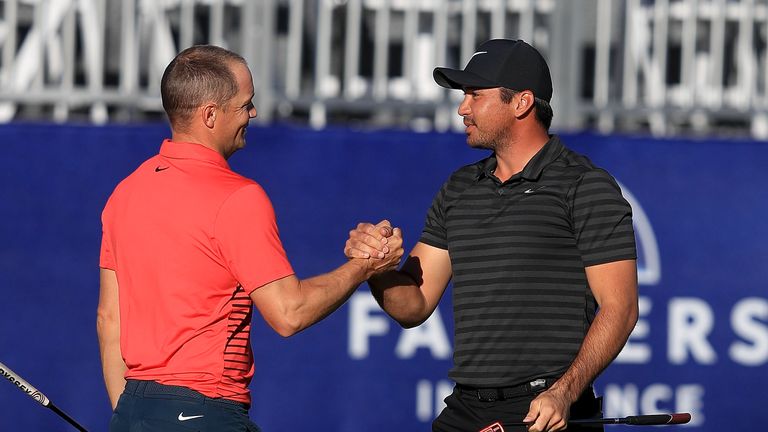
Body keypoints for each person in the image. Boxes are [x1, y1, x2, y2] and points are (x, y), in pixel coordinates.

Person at [96, 45, 403, 432]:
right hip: (204, 414)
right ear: (210, 115)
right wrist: (364, 267)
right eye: (245, 104)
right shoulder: (238, 197)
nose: (253, 114)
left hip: (132, 411)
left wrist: (129, 418)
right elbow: (289, 313)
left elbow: (110, 320)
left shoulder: (125, 193)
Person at [346, 39, 639, 432]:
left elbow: (620, 308)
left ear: (521, 103)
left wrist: (564, 393)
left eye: (474, 95)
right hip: (466, 409)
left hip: (543, 409)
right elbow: (413, 305)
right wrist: (376, 269)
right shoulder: (460, 187)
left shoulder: (584, 186)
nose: (462, 108)